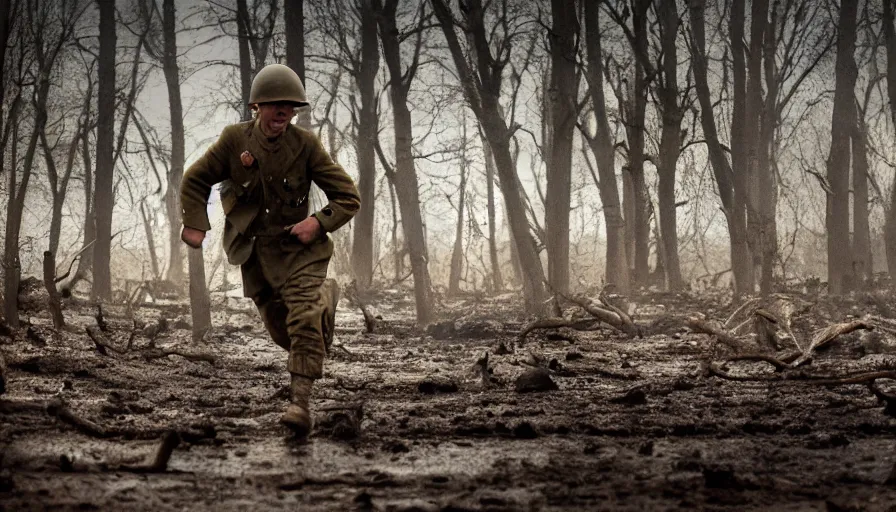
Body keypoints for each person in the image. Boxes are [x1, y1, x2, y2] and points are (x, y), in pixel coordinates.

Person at [179, 63, 361, 437]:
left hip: (299, 250)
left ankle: (300, 404)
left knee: (304, 317)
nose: (282, 112)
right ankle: (327, 298)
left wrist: (318, 222)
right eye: (274, 104)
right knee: (283, 333)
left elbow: (348, 196)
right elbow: (196, 178)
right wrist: (196, 222)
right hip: (255, 256)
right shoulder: (234, 140)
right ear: (257, 107)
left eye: (289, 106)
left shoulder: (305, 145)